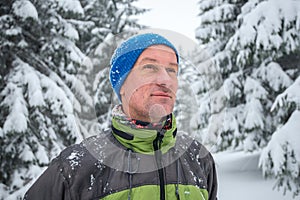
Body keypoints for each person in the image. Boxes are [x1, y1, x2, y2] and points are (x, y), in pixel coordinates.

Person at [24, 33, 218, 200]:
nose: (165, 80)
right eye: (149, 67)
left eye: (172, 70)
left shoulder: (198, 158)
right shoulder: (74, 168)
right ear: (122, 85)